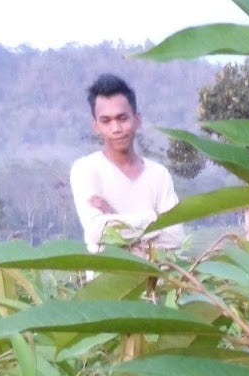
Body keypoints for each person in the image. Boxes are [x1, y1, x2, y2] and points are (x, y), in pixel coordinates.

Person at [69, 74, 185, 255]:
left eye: (122, 118)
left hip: (156, 283)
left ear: (137, 120)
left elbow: (176, 237)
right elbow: (97, 231)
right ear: (96, 126)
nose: (116, 128)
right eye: (106, 121)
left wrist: (113, 218)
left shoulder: (159, 175)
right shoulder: (86, 170)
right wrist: (153, 218)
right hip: (106, 282)